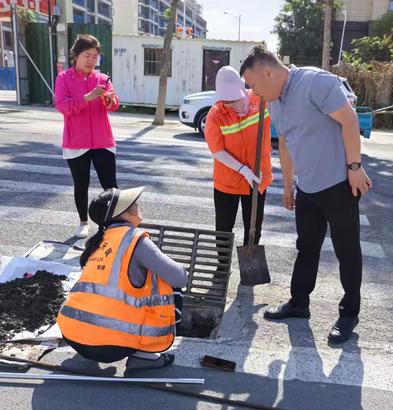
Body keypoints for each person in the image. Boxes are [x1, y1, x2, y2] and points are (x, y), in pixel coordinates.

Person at [240, 46, 373, 346]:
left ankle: (349, 313)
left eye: (255, 86)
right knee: (307, 248)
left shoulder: (316, 83)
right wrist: (288, 184)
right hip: (308, 188)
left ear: (269, 73)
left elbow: (350, 121)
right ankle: (299, 304)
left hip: (339, 184)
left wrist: (354, 167)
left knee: (347, 252)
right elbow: (286, 143)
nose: (255, 94)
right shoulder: (275, 101)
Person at [57, 187, 188, 371]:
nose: (137, 205)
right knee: (167, 284)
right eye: (133, 204)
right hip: (110, 346)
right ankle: (144, 354)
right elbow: (179, 277)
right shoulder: (135, 240)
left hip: (72, 334)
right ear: (122, 214)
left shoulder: (98, 240)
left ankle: (91, 339)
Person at [55, 34, 120, 239]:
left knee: (110, 186)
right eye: (87, 55)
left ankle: (114, 222)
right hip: (76, 142)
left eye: (95, 56)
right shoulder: (64, 78)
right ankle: (83, 222)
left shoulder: (102, 79)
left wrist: (109, 100)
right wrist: (87, 97)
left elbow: (114, 105)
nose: (91, 60)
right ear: (76, 55)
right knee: (81, 184)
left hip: (103, 141)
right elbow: (62, 106)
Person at [204, 66, 273, 248]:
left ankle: (249, 267)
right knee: (223, 229)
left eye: (236, 100)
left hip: (258, 177)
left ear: (243, 90)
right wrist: (243, 170)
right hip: (228, 181)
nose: (233, 106)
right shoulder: (215, 115)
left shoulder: (260, 99)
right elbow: (217, 150)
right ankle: (222, 267)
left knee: (254, 226)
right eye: (227, 103)